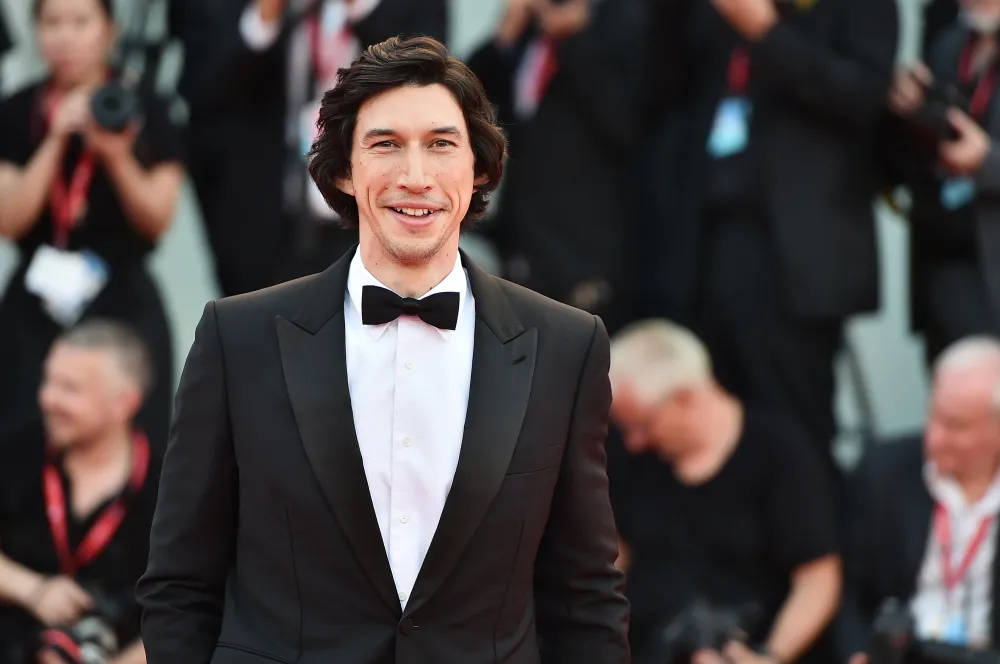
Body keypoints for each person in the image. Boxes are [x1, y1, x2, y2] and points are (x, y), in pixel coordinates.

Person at [137, 36, 630, 663]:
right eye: (385, 144)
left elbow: (584, 596)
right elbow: (180, 582)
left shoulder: (566, 346)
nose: (415, 177)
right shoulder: (238, 338)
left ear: (479, 168)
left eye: (441, 144)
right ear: (344, 169)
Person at [0, 0, 186, 458]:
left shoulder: (148, 106)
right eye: (52, 23)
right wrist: (56, 137)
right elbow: (10, 218)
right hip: (36, 298)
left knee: (137, 442)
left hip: (122, 294)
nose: (65, 37)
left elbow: (157, 219)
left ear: (109, 31)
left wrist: (115, 154)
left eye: (81, 23)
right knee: (21, 437)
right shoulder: (17, 110)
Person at [166, 0, 448, 297]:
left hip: (375, 221)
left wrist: (359, 6)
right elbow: (201, 90)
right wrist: (265, 16)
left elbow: (427, 82)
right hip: (261, 227)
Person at [609, 320, 841, 664]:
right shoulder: (632, 462)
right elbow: (616, 556)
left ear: (685, 399)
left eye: (644, 425)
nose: (634, 442)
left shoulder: (777, 452)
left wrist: (771, 656)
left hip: (745, 646)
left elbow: (817, 576)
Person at [0, 320, 161, 664]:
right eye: (47, 381)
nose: (47, 399)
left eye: (70, 388)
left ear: (125, 404)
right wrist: (32, 590)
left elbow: (192, 613)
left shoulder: (171, 488)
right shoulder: (15, 452)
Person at [834, 337, 1000, 663]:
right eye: (933, 415)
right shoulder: (883, 473)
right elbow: (846, 591)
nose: (935, 437)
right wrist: (857, 653)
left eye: (956, 426)